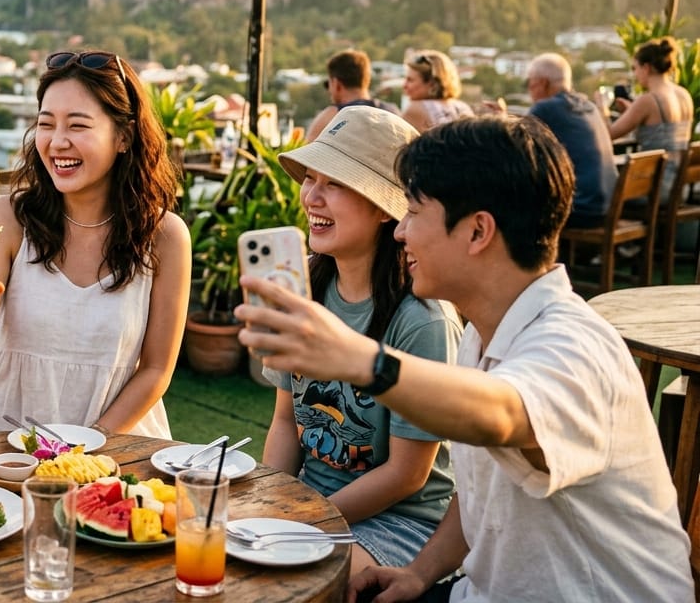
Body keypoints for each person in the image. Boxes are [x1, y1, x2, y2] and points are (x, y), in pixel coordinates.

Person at [237, 116, 692, 602]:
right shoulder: (483, 334)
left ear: (477, 232)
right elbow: (480, 491)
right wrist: (420, 572)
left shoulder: (572, 344)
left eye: (413, 213)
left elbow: (501, 415)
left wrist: (362, 361)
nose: (400, 233)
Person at [0, 50, 190, 438]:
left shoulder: (165, 236)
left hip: (114, 440)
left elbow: (157, 370)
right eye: (46, 124)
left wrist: (91, 440)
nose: (57, 142)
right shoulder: (5, 219)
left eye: (77, 126)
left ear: (123, 137)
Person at [264, 106, 461, 577]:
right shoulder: (303, 289)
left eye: (334, 183)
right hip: (310, 499)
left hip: (403, 520)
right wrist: (270, 502)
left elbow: (407, 475)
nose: (312, 196)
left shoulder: (422, 320)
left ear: (381, 208)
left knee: (308, 578)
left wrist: (302, 521)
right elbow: (284, 422)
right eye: (310, 179)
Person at [523, 52, 617, 229]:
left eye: (529, 82)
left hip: (580, 209)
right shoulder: (589, 106)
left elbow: (515, 143)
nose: (528, 88)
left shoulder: (545, 108)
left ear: (542, 83)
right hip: (608, 207)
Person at [610, 36, 695, 199]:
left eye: (635, 68)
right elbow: (664, 133)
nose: (634, 75)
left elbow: (607, 135)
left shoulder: (648, 100)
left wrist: (601, 109)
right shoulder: (684, 95)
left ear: (646, 67)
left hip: (653, 190)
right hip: (678, 188)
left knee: (601, 191)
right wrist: (631, 112)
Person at [306, 49, 400, 142]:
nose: (328, 90)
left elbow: (306, 152)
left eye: (328, 84)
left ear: (336, 84)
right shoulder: (393, 112)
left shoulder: (331, 116)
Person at [401, 51, 474, 133]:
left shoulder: (415, 109)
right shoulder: (463, 107)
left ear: (432, 84)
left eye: (410, 80)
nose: (404, 85)